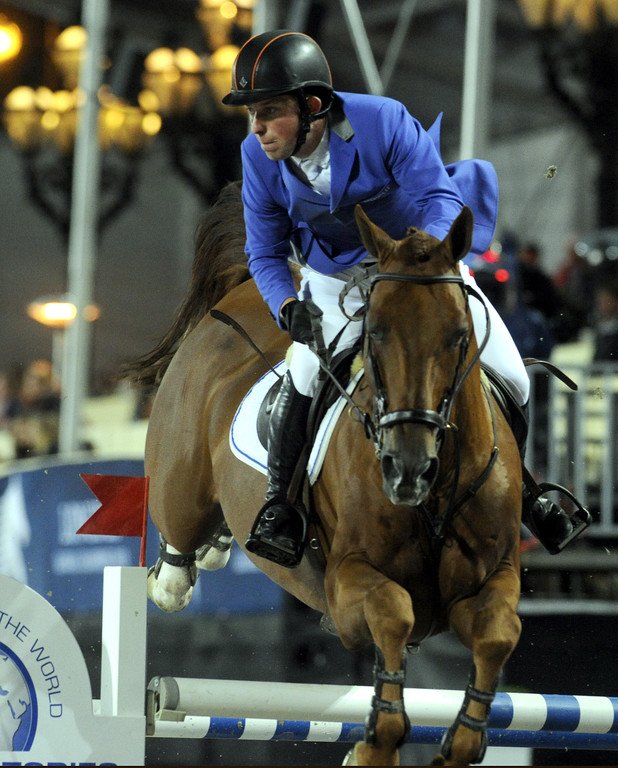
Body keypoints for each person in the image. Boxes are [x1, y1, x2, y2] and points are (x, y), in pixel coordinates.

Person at [222, 29, 588, 567]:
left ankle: (525, 496)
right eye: (253, 113)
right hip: (337, 280)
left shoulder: (382, 121)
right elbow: (264, 251)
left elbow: (441, 198)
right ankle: (281, 506)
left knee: (511, 372)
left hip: (419, 266)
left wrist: (424, 261)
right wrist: (286, 306)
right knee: (303, 374)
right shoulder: (256, 156)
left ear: (312, 106)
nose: (257, 127)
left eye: (269, 111)